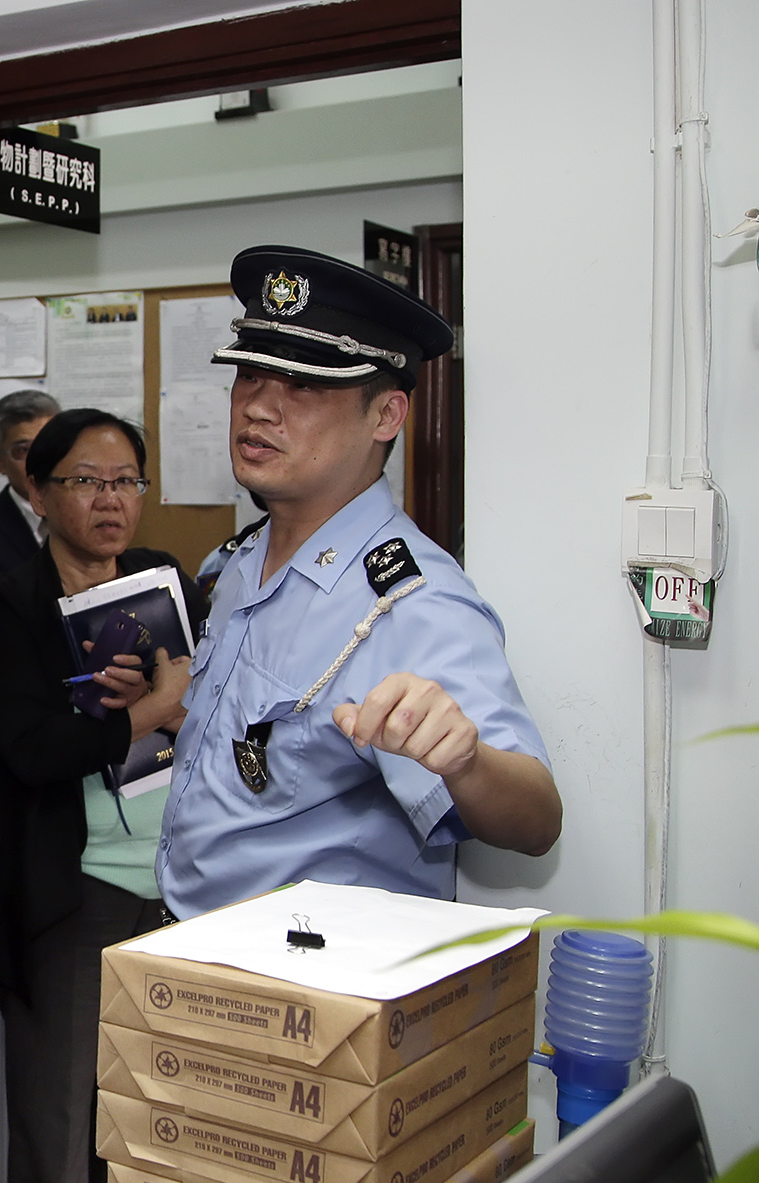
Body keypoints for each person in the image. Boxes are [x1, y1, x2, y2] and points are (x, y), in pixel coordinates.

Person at [158, 246, 561, 919]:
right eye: (250, 375)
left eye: (303, 385)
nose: (259, 408)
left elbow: (537, 821)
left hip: (305, 971)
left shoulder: (411, 602)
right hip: (186, 947)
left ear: (386, 417)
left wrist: (465, 762)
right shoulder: (242, 561)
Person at [0, 408, 200, 1183]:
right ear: (39, 490)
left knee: (150, 1124)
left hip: (176, 883)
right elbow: (30, 749)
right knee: (60, 1134)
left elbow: (208, 710)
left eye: (125, 481)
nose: (110, 501)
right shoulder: (9, 598)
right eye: (85, 481)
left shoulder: (162, 581)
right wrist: (146, 712)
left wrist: (169, 701)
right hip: (69, 895)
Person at [0, 388, 60, 575]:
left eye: (50, 444)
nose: (41, 459)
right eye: (24, 450)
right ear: (0, 463)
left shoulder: (94, 511)